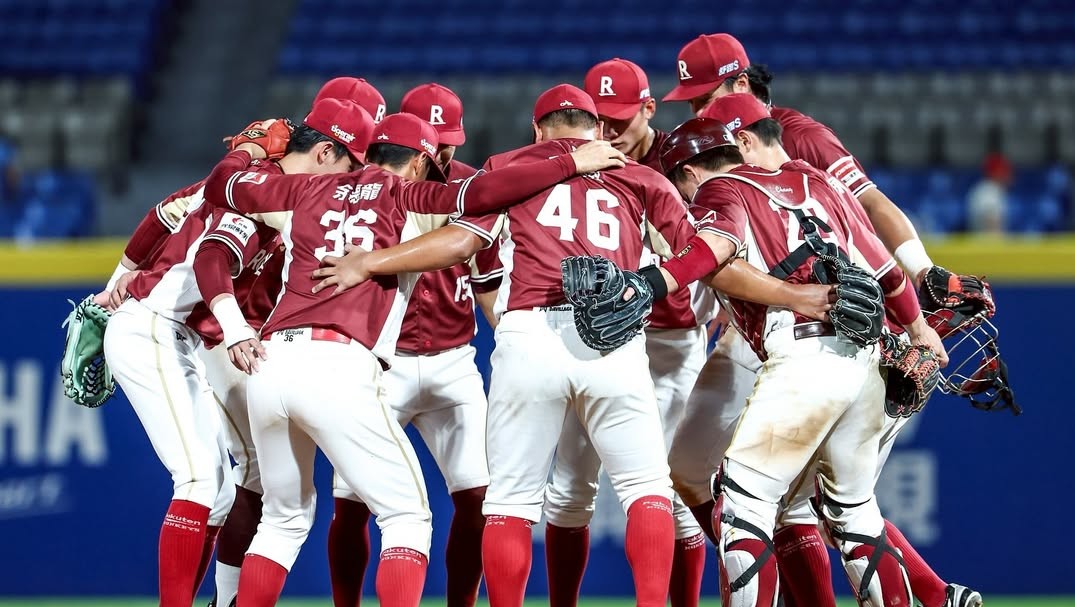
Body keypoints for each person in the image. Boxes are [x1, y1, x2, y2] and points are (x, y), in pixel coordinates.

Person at [307, 85, 835, 607]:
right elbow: (707, 252)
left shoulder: (507, 167)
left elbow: (462, 242)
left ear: (537, 130)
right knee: (647, 490)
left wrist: (368, 262)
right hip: (615, 337)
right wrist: (681, 287)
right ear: (598, 129)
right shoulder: (641, 176)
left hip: (529, 334)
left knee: (511, 503)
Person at [197, 110, 628, 607]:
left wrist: (249, 151)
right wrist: (570, 163)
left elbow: (222, 186)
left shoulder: (305, 190)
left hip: (272, 363)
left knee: (282, 520)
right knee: (406, 519)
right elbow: (488, 192)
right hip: (338, 364)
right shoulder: (408, 196)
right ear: (420, 164)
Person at [662, 33, 983, 607]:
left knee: (748, 503)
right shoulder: (814, 181)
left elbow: (714, 253)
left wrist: (651, 282)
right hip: (853, 350)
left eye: (703, 99)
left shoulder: (742, 173)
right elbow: (881, 267)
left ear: (740, 113)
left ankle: (928, 596)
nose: (696, 112)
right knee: (848, 509)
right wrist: (918, 324)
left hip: (801, 346)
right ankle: (934, 597)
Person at [100, 98, 371, 607]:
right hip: (153, 327)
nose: (351, 182)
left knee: (221, 492)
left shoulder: (254, 177)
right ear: (323, 153)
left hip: (177, 334)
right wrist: (235, 328)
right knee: (200, 480)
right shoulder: (262, 187)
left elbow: (166, 212)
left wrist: (117, 279)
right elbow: (211, 258)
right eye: (349, 167)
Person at [537, 58, 712, 607]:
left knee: (672, 488)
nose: (610, 130)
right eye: (602, 118)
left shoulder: (684, 158)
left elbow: (719, 245)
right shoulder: (570, 162)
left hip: (672, 342)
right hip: (596, 341)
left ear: (649, 108)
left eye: (621, 117)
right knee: (569, 487)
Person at [325, 82, 501, 607]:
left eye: (451, 142)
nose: (445, 153)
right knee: (351, 501)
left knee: (479, 497)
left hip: (454, 358)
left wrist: (510, 342)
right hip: (382, 362)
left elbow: (488, 281)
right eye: (436, 143)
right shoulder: (364, 189)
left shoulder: (469, 187)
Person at [967, 153, 1011, 234]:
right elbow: (991, 223)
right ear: (996, 173)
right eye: (1004, 172)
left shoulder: (995, 190)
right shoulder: (988, 191)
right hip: (984, 240)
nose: (1008, 176)